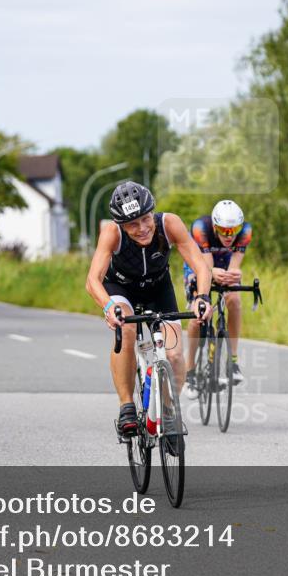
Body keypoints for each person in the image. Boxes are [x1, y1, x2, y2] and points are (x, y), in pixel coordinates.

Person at [85, 182, 212, 434]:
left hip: (158, 288)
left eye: (145, 219)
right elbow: (92, 281)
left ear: (152, 212)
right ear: (121, 224)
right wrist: (109, 307)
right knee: (128, 329)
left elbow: (200, 266)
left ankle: (167, 411)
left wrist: (202, 297)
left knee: (174, 355)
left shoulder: (169, 224)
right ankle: (127, 407)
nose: (142, 228)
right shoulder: (112, 233)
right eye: (132, 224)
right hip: (121, 289)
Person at [183, 200, 252, 397]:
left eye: (234, 230)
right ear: (214, 226)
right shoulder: (200, 229)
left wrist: (234, 274)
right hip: (199, 266)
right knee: (199, 313)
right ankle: (191, 372)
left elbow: (235, 264)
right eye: (223, 230)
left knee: (235, 301)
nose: (229, 236)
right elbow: (206, 269)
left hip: (224, 264)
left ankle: (233, 362)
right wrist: (212, 273)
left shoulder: (245, 231)